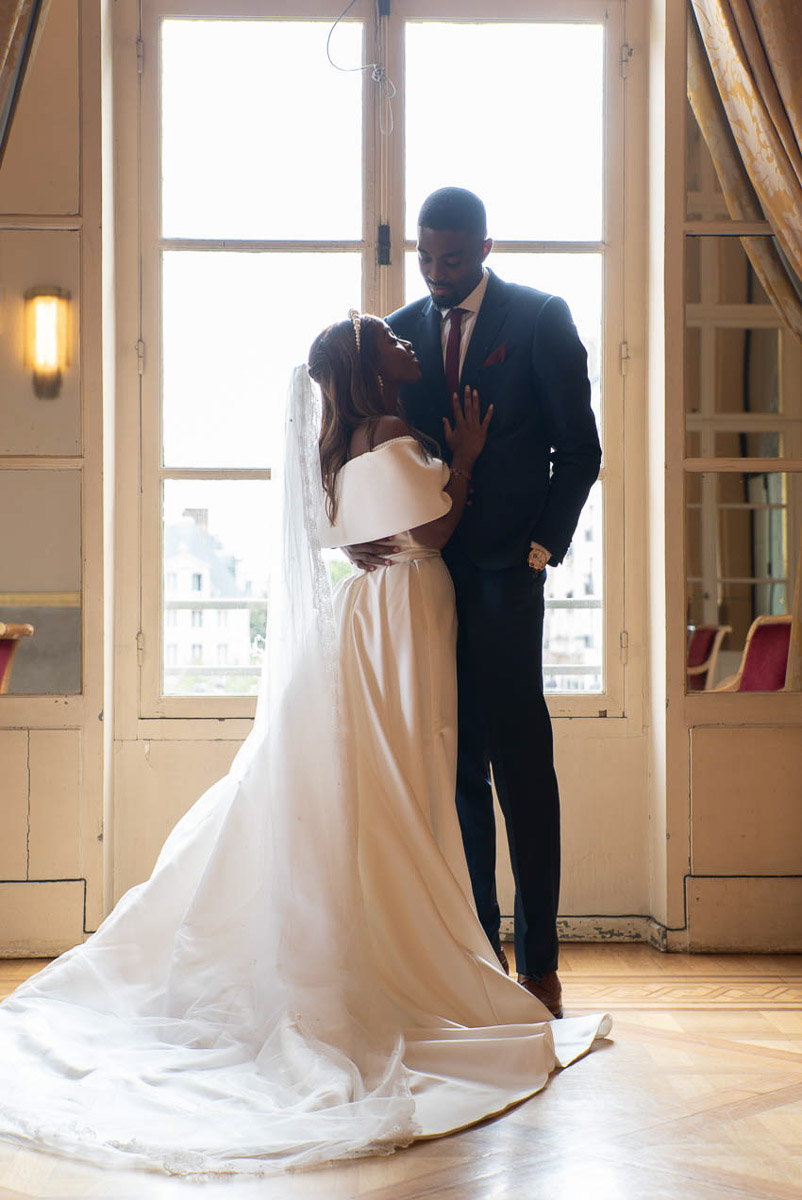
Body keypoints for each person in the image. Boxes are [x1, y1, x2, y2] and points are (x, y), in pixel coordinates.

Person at [0, 313, 609, 1178]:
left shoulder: (339, 443)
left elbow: (349, 529)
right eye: (388, 344)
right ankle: (425, 942)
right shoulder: (391, 431)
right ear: (371, 370)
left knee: (402, 768)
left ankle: (441, 926)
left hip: (383, 611)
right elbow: (434, 529)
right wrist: (466, 459)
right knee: (412, 769)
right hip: (405, 611)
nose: (405, 341)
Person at [354, 187, 601, 1020]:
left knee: (522, 768)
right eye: (424, 256)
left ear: (486, 248)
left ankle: (540, 962)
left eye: (451, 258)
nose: (434, 273)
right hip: (429, 581)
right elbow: (372, 443)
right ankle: (475, 952)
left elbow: (581, 449)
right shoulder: (403, 331)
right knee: (456, 768)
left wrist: (544, 546)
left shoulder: (539, 319)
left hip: (508, 575)